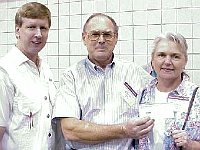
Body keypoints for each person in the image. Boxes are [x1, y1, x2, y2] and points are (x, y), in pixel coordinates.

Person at [53, 13, 154, 150]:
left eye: (107, 34)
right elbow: (70, 130)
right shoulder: (71, 76)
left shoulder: (134, 72)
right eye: (95, 34)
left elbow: (163, 91)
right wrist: (124, 130)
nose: (101, 40)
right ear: (84, 38)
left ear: (116, 38)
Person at [0, 2, 57, 150]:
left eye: (43, 28)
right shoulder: (5, 71)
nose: (38, 34)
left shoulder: (45, 69)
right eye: (31, 27)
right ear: (17, 31)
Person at [138, 32, 200, 150]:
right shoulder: (142, 94)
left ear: (185, 62)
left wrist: (191, 145)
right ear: (152, 60)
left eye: (175, 56)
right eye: (161, 55)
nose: (167, 62)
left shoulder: (196, 97)